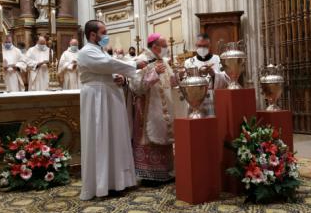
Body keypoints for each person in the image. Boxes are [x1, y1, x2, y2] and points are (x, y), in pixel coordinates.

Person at [78, 20, 146, 200]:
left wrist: (122, 79)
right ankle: (102, 184)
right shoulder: (86, 52)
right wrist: (135, 65)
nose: (106, 36)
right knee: (100, 137)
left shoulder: (98, 50)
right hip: (97, 97)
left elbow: (110, 70)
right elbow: (108, 64)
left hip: (109, 96)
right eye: (104, 32)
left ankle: (118, 181)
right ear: (93, 35)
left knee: (115, 137)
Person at [130, 33, 176, 184]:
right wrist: (154, 73)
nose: (166, 48)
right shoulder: (141, 61)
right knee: (151, 136)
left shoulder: (163, 61)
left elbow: (170, 83)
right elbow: (136, 87)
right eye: (164, 46)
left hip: (164, 109)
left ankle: (166, 171)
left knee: (164, 136)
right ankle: (149, 174)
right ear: (155, 46)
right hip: (147, 108)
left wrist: (179, 76)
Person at [184, 33, 229, 116]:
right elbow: (185, 84)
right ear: (196, 46)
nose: (202, 48)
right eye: (199, 46)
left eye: (205, 46)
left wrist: (214, 74)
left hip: (214, 100)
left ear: (210, 45)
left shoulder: (218, 59)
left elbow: (227, 80)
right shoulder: (188, 63)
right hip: (196, 101)